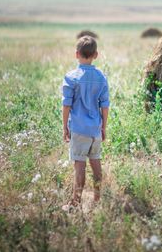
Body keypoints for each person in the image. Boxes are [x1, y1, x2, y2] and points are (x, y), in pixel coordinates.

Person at [61, 35, 109, 210]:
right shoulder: (101, 77)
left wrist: (65, 126)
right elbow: (105, 105)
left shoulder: (71, 77)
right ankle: (97, 200)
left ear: (76, 54)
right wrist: (103, 126)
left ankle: (75, 202)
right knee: (96, 164)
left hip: (79, 128)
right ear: (95, 55)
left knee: (79, 165)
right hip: (95, 129)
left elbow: (66, 105)